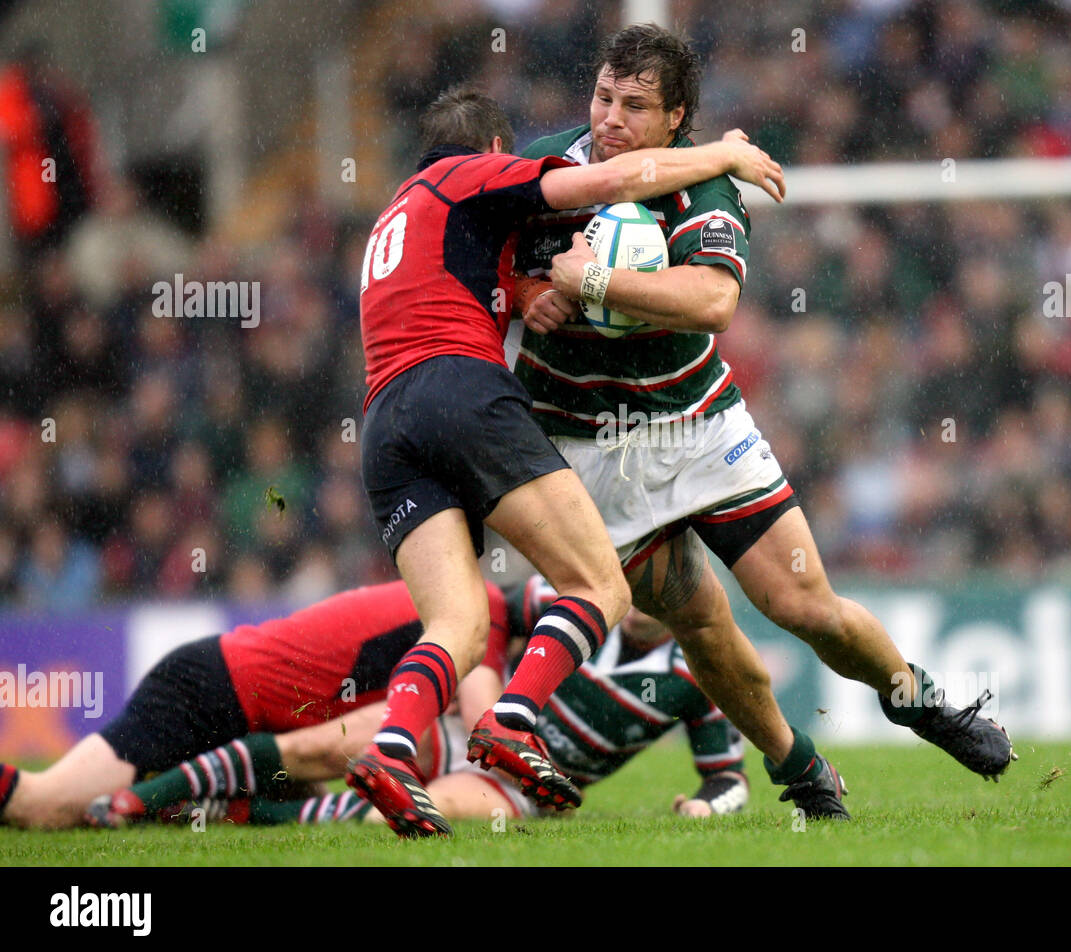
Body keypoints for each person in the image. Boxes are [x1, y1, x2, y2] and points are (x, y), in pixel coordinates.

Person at [509, 24, 1014, 820]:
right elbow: (472, 250)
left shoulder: (703, 188)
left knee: (804, 606)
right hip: (590, 450)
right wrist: (519, 290)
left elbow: (714, 301)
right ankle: (800, 768)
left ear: (677, 119)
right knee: (701, 624)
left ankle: (917, 698)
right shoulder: (543, 165)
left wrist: (597, 281)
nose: (609, 119)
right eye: (604, 97)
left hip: (701, 427)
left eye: (634, 106)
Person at [353, 87, 784, 837]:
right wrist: (726, 155)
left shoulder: (397, 214)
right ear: (489, 152)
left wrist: (519, 294)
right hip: (461, 393)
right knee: (601, 585)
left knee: (455, 623)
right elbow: (611, 181)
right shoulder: (472, 174)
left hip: (385, 425)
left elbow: (450, 284)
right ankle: (514, 721)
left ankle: (391, 751)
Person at [0, 580, 508, 830]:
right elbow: (490, 729)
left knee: (306, 802)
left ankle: (167, 804)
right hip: (203, 694)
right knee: (42, 806)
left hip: (240, 707)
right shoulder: (480, 608)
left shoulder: (452, 608)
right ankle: (154, 801)